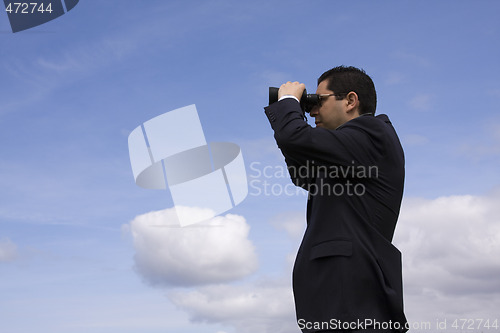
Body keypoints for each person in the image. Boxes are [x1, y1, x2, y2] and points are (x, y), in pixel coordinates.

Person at [264, 66, 408, 333]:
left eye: (318, 101)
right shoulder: (347, 155)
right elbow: (302, 173)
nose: (312, 110)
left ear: (351, 101)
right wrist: (291, 122)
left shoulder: (373, 134)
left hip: (352, 298)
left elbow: (295, 139)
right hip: (336, 298)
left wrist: (288, 102)